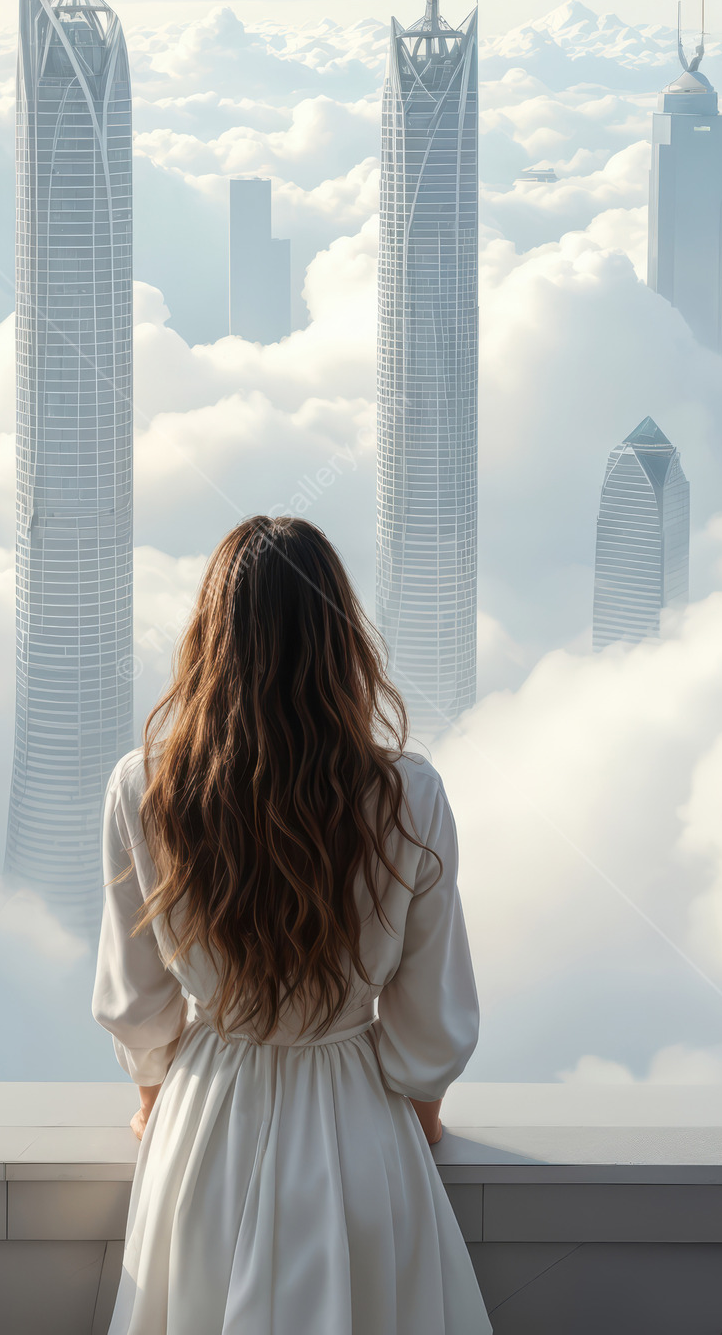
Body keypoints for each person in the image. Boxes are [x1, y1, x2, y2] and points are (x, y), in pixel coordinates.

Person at [93, 515, 491, 1334]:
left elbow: (136, 1000)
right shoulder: (409, 795)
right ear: (342, 640)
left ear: (210, 637)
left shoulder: (146, 787)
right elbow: (430, 1017)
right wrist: (410, 1123)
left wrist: (153, 1100)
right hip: (359, 1129)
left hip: (204, 1125)